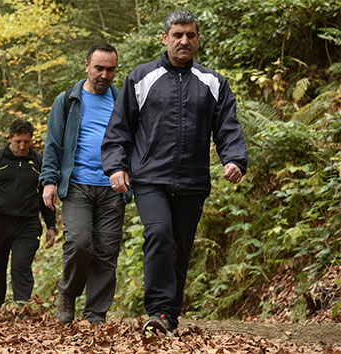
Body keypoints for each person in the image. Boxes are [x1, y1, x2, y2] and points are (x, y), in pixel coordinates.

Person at [101, 9, 248, 335]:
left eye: (190, 35)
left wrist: (235, 159)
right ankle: (157, 310)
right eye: (177, 35)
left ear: (197, 39)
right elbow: (119, 129)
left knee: (180, 249)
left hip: (193, 181)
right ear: (165, 38)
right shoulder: (141, 78)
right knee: (159, 235)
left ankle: (168, 317)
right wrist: (116, 166)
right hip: (150, 178)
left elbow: (227, 128)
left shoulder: (212, 83)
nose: (184, 40)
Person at [40, 42, 127, 324]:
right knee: (79, 243)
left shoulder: (122, 101)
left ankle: (96, 314)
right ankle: (68, 292)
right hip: (77, 185)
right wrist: (49, 181)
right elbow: (53, 144)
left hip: (113, 188)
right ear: (86, 65)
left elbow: (134, 142)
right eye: (99, 68)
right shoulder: (67, 100)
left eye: (110, 69)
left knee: (106, 251)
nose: (104, 74)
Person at [0, 119, 56, 308]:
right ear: (10, 138)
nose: (22, 146)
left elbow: (46, 196)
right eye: (18, 142)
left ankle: (21, 307)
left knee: (21, 265)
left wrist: (51, 226)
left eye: (26, 142)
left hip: (28, 223)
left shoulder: (38, 162)